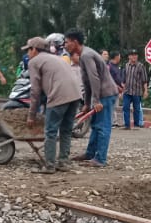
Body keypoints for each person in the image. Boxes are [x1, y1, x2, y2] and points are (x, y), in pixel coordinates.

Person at [24, 36, 82, 173]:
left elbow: (35, 91)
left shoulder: (34, 62)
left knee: (50, 131)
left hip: (59, 96)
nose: (27, 53)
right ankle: (63, 162)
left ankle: (49, 165)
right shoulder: (56, 58)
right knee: (66, 130)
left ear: (34, 50)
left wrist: (31, 115)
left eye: (28, 50)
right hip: (75, 95)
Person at [65, 28, 119, 167]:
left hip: (106, 94)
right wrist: (87, 103)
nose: (65, 46)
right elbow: (87, 81)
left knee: (102, 126)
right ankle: (90, 153)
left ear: (75, 42)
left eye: (67, 42)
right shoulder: (84, 55)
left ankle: (100, 159)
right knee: (95, 125)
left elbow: (94, 78)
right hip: (100, 95)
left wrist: (96, 100)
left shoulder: (87, 55)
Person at [120, 48, 148, 131]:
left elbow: (144, 80)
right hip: (127, 91)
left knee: (136, 109)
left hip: (137, 91)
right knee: (125, 108)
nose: (134, 57)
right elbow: (123, 80)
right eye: (132, 55)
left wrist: (145, 91)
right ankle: (127, 125)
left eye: (135, 55)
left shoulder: (140, 66)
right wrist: (122, 91)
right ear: (129, 57)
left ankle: (136, 125)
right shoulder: (126, 66)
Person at [106, 51, 124, 127]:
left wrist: (122, 86)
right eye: (119, 56)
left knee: (115, 106)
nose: (120, 58)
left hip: (118, 90)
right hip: (111, 89)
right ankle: (111, 122)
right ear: (116, 57)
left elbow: (118, 78)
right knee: (111, 106)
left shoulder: (117, 66)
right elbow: (109, 78)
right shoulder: (109, 66)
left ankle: (114, 121)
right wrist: (117, 86)